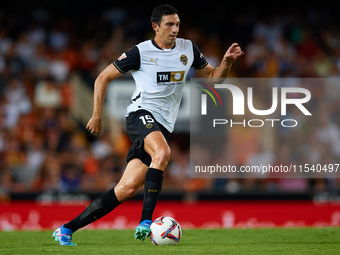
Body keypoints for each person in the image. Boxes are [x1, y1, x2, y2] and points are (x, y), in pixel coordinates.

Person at [52, 4, 244, 245]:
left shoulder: (188, 49)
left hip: (163, 125)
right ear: (156, 26)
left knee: (126, 189)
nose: (175, 29)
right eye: (169, 25)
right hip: (140, 114)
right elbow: (103, 77)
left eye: (177, 25)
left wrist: (227, 61)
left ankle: (66, 229)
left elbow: (215, 78)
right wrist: (96, 115)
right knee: (163, 152)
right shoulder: (140, 52)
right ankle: (146, 221)